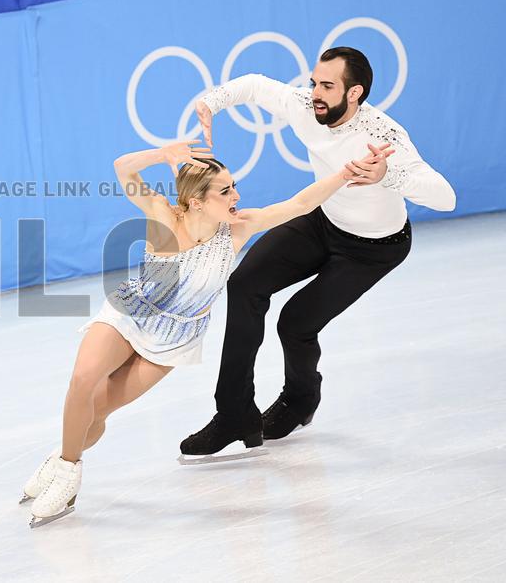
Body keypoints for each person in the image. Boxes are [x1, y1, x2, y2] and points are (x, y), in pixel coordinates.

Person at [23, 137, 381, 527]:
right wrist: (162, 155)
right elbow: (122, 168)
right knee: (82, 380)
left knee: (98, 410)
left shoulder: (237, 229)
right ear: (196, 201)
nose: (236, 196)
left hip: (173, 339)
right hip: (130, 313)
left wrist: (345, 174)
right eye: (225, 191)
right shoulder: (162, 214)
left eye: (234, 187)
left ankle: (59, 459)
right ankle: (69, 473)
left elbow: (299, 204)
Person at [179, 46, 456, 457]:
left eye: (327, 86)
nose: (315, 94)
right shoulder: (307, 107)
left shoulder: (384, 135)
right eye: (314, 83)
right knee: (245, 283)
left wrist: (389, 174)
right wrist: (212, 101)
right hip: (322, 222)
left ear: (355, 92)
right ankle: (234, 414)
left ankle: (300, 400)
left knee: (295, 323)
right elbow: (255, 85)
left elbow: (446, 197)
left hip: (374, 248)